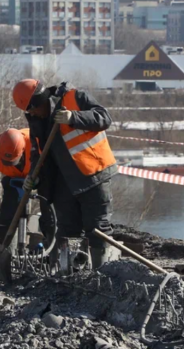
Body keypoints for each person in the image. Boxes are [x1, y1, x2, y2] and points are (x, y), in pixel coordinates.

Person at [12, 79, 117, 269]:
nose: (32, 113)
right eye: (29, 111)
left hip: (92, 176)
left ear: (41, 101)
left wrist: (73, 118)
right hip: (63, 184)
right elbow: (38, 153)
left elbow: (104, 118)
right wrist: (33, 176)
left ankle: (102, 274)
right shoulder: (37, 121)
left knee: (97, 228)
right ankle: (67, 275)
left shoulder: (75, 98)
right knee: (67, 230)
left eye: (33, 109)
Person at [0, 128, 54, 250]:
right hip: (14, 180)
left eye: (14, 162)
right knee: (7, 217)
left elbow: (52, 167)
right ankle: (3, 250)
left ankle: (52, 250)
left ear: (22, 152)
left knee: (49, 217)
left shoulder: (37, 141)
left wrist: (37, 178)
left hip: (42, 175)